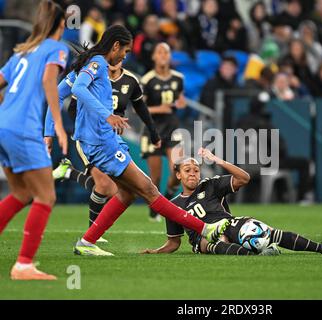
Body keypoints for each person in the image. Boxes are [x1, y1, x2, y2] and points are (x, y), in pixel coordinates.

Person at [66, 25, 228, 256]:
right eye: (126, 51)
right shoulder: (99, 63)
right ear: (116, 46)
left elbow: (64, 89)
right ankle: (205, 229)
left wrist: (48, 130)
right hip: (101, 142)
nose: (125, 55)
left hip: (106, 140)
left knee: (127, 193)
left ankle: (87, 241)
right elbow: (80, 89)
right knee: (150, 190)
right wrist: (108, 115)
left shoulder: (97, 64)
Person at [141, 148, 322, 256]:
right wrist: (156, 252)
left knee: (269, 232)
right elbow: (174, 243)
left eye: (196, 170)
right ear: (178, 175)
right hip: (201, 238)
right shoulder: (173, 205)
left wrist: (217, 160)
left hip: (229, 223)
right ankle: (259, 254)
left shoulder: (211, 185)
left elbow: (244, 178)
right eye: (187, 171)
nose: (193, 174)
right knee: (214, 242)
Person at [45, 60, 162, 240]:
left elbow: (140, 107)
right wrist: (98, 123)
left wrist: (153, 132)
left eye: (125, 55)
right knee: (106, 186)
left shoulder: (130, 80)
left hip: (112, 139)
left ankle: (69, 172)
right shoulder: (92, 76)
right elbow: (72, 108)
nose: (118, 59)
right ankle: (92, 235)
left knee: (113, 189)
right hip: (90, 139)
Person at [0, 0, 68, 280]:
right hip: (24, 129)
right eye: (64, 26)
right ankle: (24, 265)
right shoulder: (57, 49)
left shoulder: (21, 54)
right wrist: (58, 126)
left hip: (3, 125)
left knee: (20, 194)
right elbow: (49, 81)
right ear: (59, 26)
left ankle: (24, 264)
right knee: (46, 195)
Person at [140, 42, 186, 222]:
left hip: (173, 128)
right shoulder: (147, 80)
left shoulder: (178, 78)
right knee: (156, 177)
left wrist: (181, 104)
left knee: (177, 171)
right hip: (153, 129)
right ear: (154, 57)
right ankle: (155, 208)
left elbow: (180, 100)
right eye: (159, 52)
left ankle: (166, 199)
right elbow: (140, 108)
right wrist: (160, 108)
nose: (163, 55)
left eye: (166, 52)